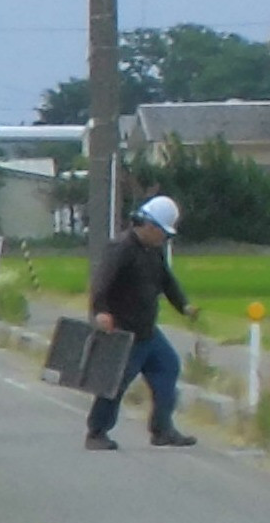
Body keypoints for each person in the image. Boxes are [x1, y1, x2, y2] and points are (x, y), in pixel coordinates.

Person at [84, 191, 199, 449]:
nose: (166, 239)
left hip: (147, 331)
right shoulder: (121, 248)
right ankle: (96, 433)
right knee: (114, 384)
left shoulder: (153, 251)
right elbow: (101, 283)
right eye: (165, 233)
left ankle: (162, 429)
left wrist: (184, 306)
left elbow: (167, 282)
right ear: (149, 226)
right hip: (123, 332)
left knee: (168, 367)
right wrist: (101, 311)